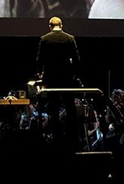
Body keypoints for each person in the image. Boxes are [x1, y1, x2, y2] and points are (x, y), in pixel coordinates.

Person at [35, 16, 82, 149]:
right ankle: (73, 137)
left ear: (50, 26)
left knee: (53, 108)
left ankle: (56, 138)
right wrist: (73, 74)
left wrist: (40, 73)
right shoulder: (69, 38)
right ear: (61, 25)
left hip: (51, 78)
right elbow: (77, 60)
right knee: (70, 107)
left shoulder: (44, 39)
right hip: (66, 78)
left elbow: (39, 59)